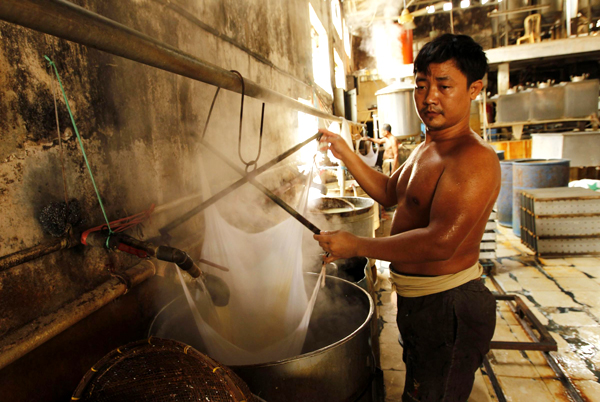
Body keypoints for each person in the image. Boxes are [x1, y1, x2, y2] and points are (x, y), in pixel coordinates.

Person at [315, 34, 500, 401]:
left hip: (450, 306)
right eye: (421, 85)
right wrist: (345, 152)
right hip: (420, 302)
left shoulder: (473, 159)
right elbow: (389, 193)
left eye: (444, 86)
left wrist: (358, 245)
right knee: (421, 389)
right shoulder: (429, 146)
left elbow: (441, 241)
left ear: (474, 88)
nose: (429, 97)